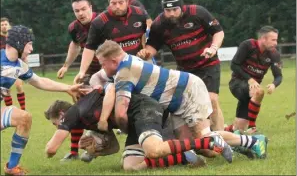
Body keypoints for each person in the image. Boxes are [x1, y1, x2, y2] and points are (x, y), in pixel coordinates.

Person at [93, 40, 268, 162]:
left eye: (103, 64)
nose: (102, 68)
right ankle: (237, 142)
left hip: (189, 92)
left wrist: (125, 129)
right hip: (176, 100)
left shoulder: (124, 73)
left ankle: (254, 141)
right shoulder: (129, 59)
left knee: (204, 140)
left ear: (114, 60)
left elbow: (121, 114)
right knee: (194, 147)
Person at [44, 84, 231, 170]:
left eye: (55, 123)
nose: (56, 127)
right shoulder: (86, 119)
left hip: (144, 110)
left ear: (61, 115)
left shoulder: (76, 111)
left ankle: (207, 141)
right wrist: (94, 149)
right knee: (131, 167)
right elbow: (115, 147)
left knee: (155, 150)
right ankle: (183, 155)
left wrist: (48, 154)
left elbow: (51, 149)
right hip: (135, 124)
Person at [137, 0, 225, 131]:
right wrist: (145, 53)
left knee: (212, 100)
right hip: (185, 70)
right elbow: (152, 46)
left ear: (182, 7)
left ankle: (222, 139)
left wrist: (213, 48)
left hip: (207, 64)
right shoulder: (159, 24)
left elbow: (218, 32)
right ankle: (203, 138)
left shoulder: (198, 12)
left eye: (174, 9)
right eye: (167, 10)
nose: (171, 13)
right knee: (187, 105)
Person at [0, 25, 82, 175]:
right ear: (19, 43)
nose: (31, 49)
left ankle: (12, 167)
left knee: (24, 118)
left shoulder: (19, 66)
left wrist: (67, 88)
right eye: (29, 44)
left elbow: (40, 81)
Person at [55, 0, 101, 162]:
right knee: (79, 105)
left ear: (91, 8)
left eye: (83, 9)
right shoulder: (74, 28)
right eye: (77, 11)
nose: (81, 13)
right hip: (90, 72)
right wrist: (66, 65)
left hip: (112, 71)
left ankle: (98, 146)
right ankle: (75, 151)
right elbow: (75, 45)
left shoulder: (104, 21)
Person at [73, 0, 149, 85]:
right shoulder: (99, 22)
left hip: (139, 67)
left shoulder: (140, 14)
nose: (117, 6)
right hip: (115, 73)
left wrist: (145, 49)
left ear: (127, 1)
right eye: (113, 3)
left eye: (120, 2)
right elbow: (89, 48)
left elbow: (146, 33)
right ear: (109, 2)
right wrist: (82, 71)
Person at [225, 26, 282, 133]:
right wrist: (250, 79)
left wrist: (274, 84)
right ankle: (252, 126)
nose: (276, 43)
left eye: (276, 40)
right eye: (273, 40)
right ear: (263, 39)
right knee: (259, 91)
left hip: (252, 90)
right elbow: (234, 65)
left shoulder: (275, 54)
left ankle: (225, 130)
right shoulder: (248, 45)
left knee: (239, 130)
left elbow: (279, 76)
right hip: (237, 83)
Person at [1, 17, 26, 110]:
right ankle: (10, 110)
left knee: (19, 86)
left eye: (5, 24)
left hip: (16, 65)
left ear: (9, 26)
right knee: (6, 89)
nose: (4, 26)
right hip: (3, 67)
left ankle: (23, 109)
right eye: (2, 25)